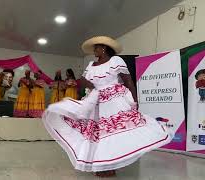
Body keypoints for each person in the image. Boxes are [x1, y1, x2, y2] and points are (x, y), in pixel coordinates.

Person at [42, 36, 171, 177]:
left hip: (113, 101)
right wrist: (87, 84)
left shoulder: (116, 61)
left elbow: (128, 81)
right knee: (98, 136)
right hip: (95, 101)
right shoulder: (91, 65)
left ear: (104, 48)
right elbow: (84, 82)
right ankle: (102, 165)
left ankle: (111, 165)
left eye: (96, 47)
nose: (94, 51)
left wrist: (135, 100)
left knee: (112, 133)